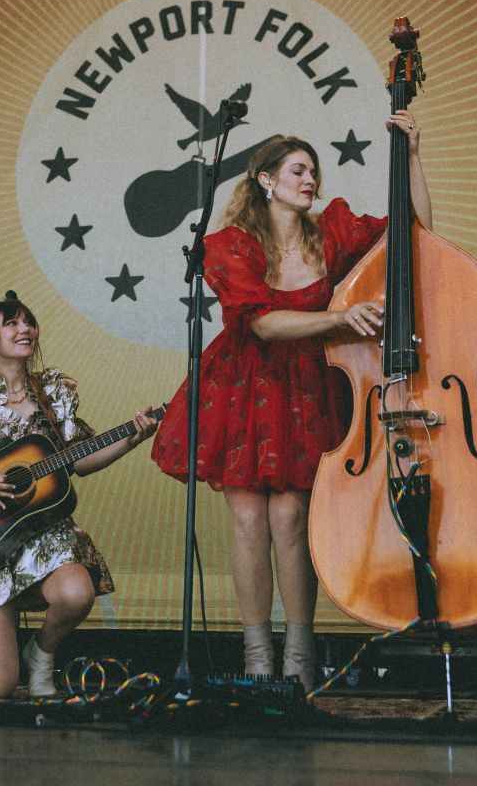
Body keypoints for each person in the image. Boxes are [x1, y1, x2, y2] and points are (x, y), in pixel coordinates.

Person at [151, 109, 432, 690]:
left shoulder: (331, 230)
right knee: (250, 518)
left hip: (306, 385)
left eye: (314, 172)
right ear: (266, 179)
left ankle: (300, 654)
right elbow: (260, 325)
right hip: (245, 385)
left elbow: (415, 234)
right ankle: (257, 658)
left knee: (291, 514)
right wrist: (338, 317)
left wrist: (410, 157)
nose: (311, 181)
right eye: (299, 170)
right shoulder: (229, 243)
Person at [0, 291, 157, 698]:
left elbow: (78, 460)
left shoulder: (52, 392)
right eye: (13, 323)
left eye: (29, 322)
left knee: (76, 592)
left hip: (42, 532)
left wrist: (132, 438)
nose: (25, 329)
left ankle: (41, 652)